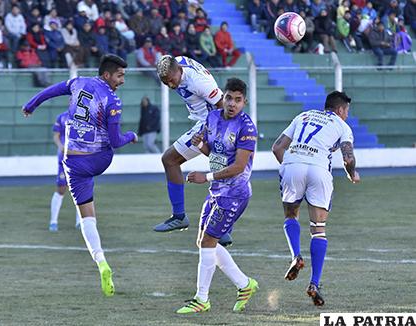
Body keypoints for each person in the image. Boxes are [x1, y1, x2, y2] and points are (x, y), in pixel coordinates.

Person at [22, 54, 138, 297]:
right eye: (120, 75)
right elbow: (116, 142)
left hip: (73, 163)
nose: (123, 80)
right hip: (99, 160)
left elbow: (51, 91)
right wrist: (131, 136)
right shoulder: (113, 100)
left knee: (87, 220)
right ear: (107, 75)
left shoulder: (77, 83)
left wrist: (31, 104)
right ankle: (104, 265)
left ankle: (100, 261)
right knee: (108, 137)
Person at [176, 78, 259, 314]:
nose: (232, 104)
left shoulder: (247, 127)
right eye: (229, 98)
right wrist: (200, 145)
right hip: (217, 190)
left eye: (238, 100)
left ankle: (202, 299)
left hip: (235, 192)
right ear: (223, 97)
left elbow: (239, 167)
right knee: (204, 242)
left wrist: (206, 177)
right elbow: (214, 153)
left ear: (244, 102)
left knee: (208, 242)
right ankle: (244, 285)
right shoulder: (212, 118)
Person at [271, 91, 360, 306]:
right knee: (318, 228)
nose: (346, 115)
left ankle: (295, 256)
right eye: (346, 111)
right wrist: (351, 173)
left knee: (291, 214)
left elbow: (277, 147)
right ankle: (314, 283)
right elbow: (348, 157)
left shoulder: (303, 116)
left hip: (293, 164)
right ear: (340, 110)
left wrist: (291, 166)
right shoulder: (342, 126)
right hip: (320, 170)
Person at [154, 55, 233, 247]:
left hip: (211, 123)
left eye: (171, 81)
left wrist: (209, 133)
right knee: (222, 171)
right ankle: (222, 230)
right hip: (205, 122)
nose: (170, 85)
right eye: (165, 83)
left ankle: (180, 216)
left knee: (170, 160)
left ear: (178, 71)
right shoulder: (176, 63)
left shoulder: (198, 82)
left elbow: (221, 104)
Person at [50, 110, 81, 232]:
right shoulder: (61, 117)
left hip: (79, 158)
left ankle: (80, 222)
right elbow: (56, 135)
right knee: (61, 189)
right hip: (64, 159)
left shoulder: (85, 117)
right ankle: (53, 221)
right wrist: (60, 146)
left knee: (80, 190)